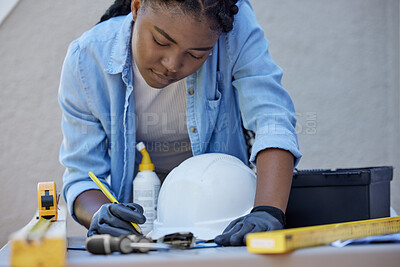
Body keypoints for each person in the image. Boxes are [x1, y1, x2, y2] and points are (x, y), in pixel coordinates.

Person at [58, 0, 302, 246]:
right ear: (136, 6)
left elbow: (272, 119)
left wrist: (267, 210)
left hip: (220, 222)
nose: (172, 65)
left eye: (196, 54)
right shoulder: (86, 60)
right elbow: (82, 175)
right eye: (161, 42)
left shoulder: (233, 29)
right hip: (142, 234)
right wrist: (101, 215)